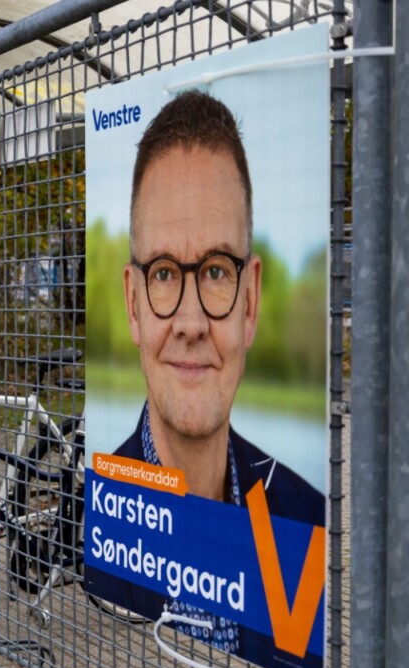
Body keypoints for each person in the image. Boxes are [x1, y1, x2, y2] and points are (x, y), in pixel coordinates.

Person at [115, 90, 323, 527]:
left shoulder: (306, 520)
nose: (190, 324)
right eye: (165, 273)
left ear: (250, 301)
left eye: (215, 271)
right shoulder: (95, 521)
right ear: (133, 305)